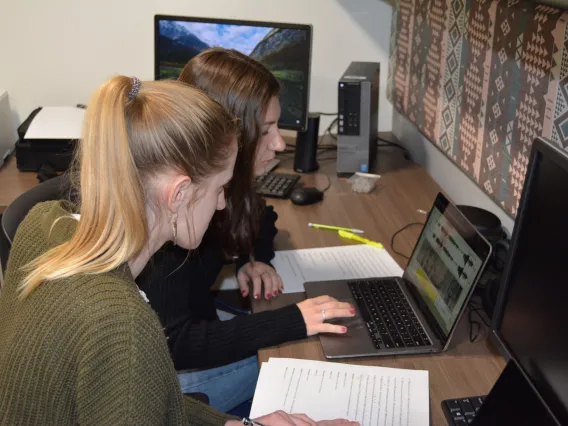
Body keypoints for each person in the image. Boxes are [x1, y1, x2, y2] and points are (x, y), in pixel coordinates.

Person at [0, 75, 356, 426]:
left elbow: (152, 401)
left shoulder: (42, 222)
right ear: (179, 194)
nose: (221, 205)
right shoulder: (124, 325)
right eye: (221, 188)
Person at [136, 48, 356, 413]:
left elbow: (261, 217)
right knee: (305, 366)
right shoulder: (171, 216)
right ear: (228, 133)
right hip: (167, 376)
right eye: (266, 129)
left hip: (195, 330)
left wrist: (250, 259)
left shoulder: (216, 186)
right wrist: (292, 320)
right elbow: (174, 342)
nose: (280, 144)